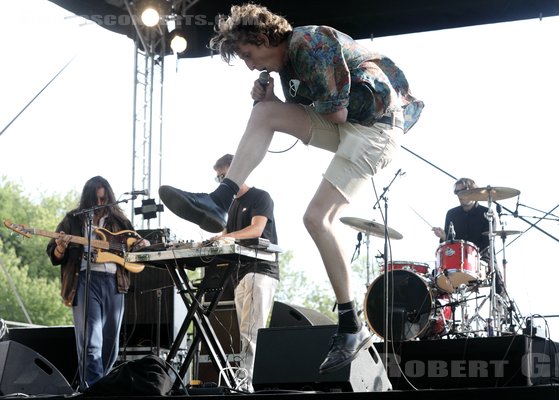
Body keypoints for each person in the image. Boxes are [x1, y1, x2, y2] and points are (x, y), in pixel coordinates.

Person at [158, 3, 423, 374]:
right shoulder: (287, 67)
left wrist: (289, 105)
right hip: (351, 124)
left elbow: (336, 114)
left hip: (376, 128)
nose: (251, 65)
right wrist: (275, 105)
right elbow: (319, 113)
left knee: (316, 219)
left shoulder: (310, 43)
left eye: (250, 55)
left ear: (264, 38)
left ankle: (351, 324)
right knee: (263, 114)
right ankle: (219, 200)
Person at [46, 176, 149, 389]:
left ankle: (101, 384)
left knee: (111, 342)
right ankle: (92, 388)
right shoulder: (73, 220)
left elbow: (135, 245)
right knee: (91, 340)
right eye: (96, 199)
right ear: (88, 198)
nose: (100, 204)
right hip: (84, 280)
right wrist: (60, 248)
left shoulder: (119, 221)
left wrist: (143, 244)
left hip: (114, 282)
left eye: (104, 199)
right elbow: (53, 252)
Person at [209, 153, 278, 391]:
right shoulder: (233, 205)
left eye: (225, 177)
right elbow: (229, 233)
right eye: (219, 179)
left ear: (240, 172)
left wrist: (226, 237)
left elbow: (256, 229)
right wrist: (214, 239)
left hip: (260, 271)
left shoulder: (260, 197)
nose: (222, 183)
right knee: (246, 332)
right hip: (241, 274)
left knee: (252, 333)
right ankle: (245, 382)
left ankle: (246, 386)